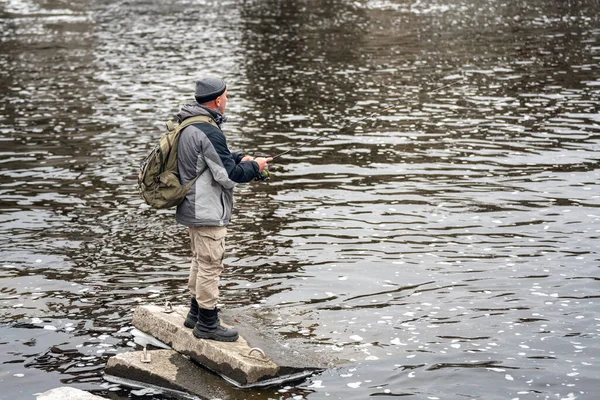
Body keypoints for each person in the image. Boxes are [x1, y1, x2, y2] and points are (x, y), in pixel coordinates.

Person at [175, 77, 271, 342]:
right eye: (227, 96)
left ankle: (195, 313)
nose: (227, 101)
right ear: (218, 100)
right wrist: (256, 167)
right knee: (210, 265)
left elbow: (211, 159)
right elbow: (228, 176)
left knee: (199, 261)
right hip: (206, 209)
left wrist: (241, 157)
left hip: (192, 206)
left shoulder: (189, 124)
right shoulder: (209, 131)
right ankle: (207, 323)